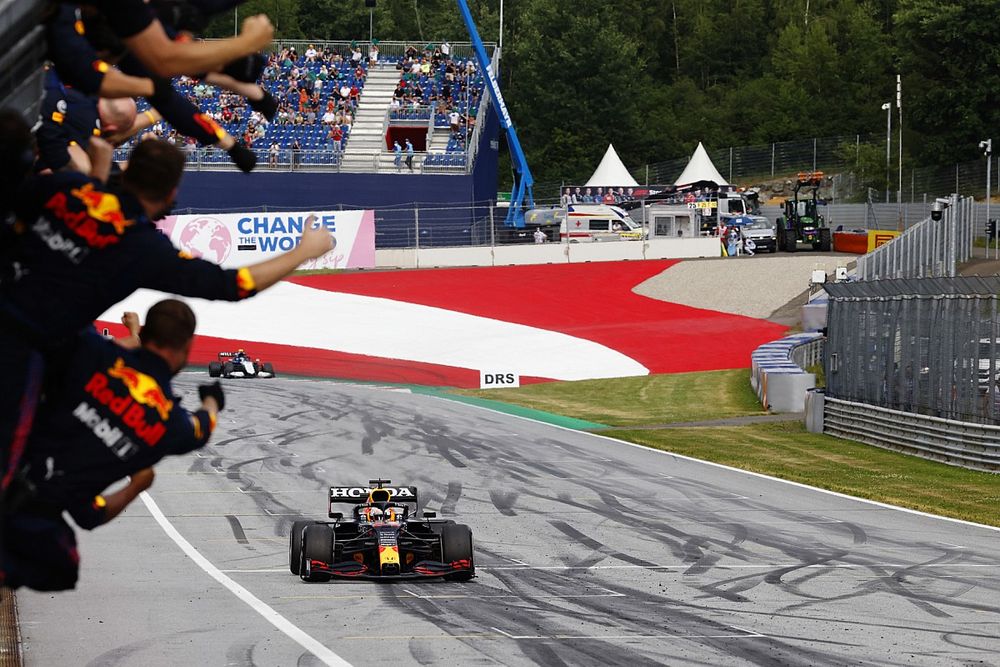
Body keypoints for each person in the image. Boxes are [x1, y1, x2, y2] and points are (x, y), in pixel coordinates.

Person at [0, 139, 335, 505]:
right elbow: (233, 285)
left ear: (128, 171)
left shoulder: (67, 188)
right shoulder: (143, 249)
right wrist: (305, 250)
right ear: (171, 191)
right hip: (20, 352)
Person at [2, 300, 225, 591]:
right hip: (33, 514)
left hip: (17, 467)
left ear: (145, 336)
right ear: (187, 348)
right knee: (61, 567)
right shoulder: (171, 425)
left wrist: (133, 335)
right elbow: (203, 428)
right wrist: (212, 399)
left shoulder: (94, 354)